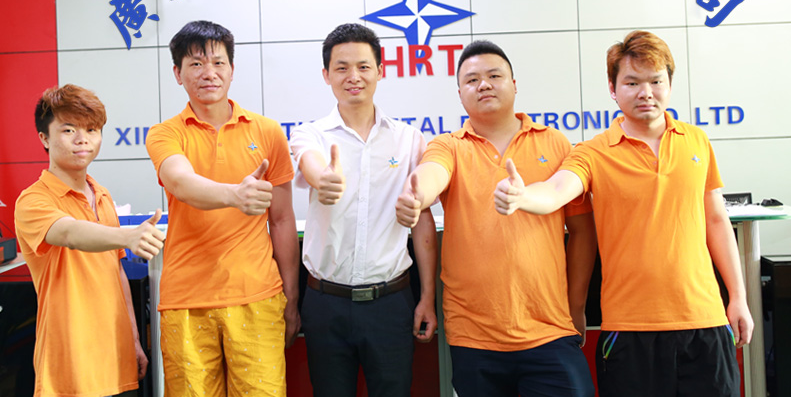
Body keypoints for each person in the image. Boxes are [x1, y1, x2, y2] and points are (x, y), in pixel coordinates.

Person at [494, 30, 754, 397]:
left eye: (655, 81)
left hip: (705, 322)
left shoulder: (696, 140)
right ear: (613, 89)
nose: (645, 92)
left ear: (669, 84)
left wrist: (738, 297)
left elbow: (716, 220)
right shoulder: (594, 152)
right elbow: (556, 190)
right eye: (632, 82)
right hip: (630, 331)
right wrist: (522, 196)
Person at [395, 40, 596, 397]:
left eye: (494, 76)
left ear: (514, 84)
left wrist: (576, 306)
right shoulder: (449, 145)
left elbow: (582, 231)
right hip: (474, 336)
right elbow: (432, 173)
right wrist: (415, 196)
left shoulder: (554, 143)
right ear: (460, 94)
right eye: (472, 80)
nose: (484, 84)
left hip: (550, 328)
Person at [145, 20, 299, 397]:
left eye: (218, 63)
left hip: (258, 294)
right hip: (186, 300)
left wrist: (292, 299)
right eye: (196, 64)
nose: (209, 73)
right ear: (178, 73)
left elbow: (282, 220)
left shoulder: (267, 132)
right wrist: (235, 195)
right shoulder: (166, 133)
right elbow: (180, 182)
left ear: (232, 69)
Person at [290, 23, 437, 397]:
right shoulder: (311, 134)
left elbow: (421, 221)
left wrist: (427, 297)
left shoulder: (408, 140)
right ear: (326, 75)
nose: (353, 77)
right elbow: (311, 163)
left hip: (391, 303)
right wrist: (324, 179)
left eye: (363, 66)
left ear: (380, 71)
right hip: (326, 303)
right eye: (341, 68)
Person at [15, 83, 165, 397]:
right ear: (44, 138)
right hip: (71, 361)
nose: (82, 139)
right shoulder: (33, 200)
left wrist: (134, 339)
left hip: (116, 355)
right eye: (69, 130)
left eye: (92, 129)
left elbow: (116, 271)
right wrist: (128, 235)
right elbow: (69, 233)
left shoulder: (102, 195)